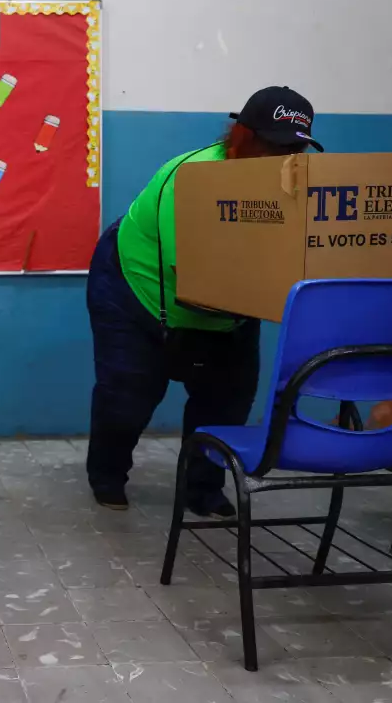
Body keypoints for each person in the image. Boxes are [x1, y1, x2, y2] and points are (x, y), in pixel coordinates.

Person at [87, 86, 325, 516]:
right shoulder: (191, 179)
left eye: (295, 149)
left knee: (226, 402)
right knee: (127, 397)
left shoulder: (299, 185)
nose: (283, 158)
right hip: (135, 290)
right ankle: (107, 474)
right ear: (241, 137)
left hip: (236, 305)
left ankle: (202, 489)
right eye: (273, 146)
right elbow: (196, 284)